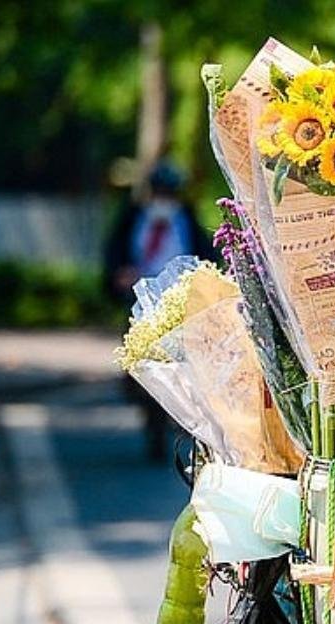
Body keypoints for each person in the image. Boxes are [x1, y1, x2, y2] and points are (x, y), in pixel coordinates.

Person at [104, 161, 214, 460]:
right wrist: (119, 275)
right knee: (139, 362)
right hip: (140, 299)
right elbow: (114, 254)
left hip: (179, 302)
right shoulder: (132, 218)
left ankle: (177, 418)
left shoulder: (187, 220)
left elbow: (206, 256)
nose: (163, 200)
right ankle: (144, 405)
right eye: (159, 193)